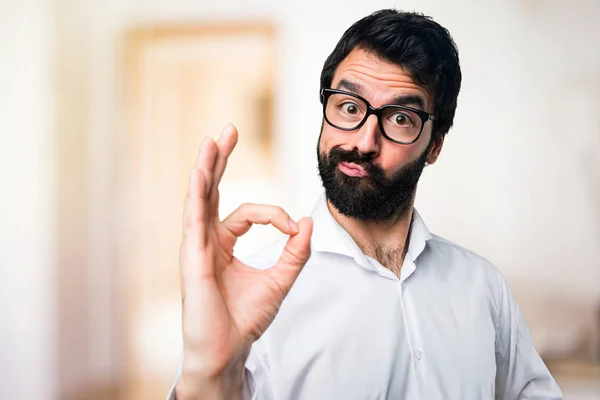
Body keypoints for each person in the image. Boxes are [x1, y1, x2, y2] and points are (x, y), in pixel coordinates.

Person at [168, 9, 563, 400]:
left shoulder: (482, 286)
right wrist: (208, 375)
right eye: (350, 107)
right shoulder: (253, 292)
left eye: (400, 118)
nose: (363, 142)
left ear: (435, 145)